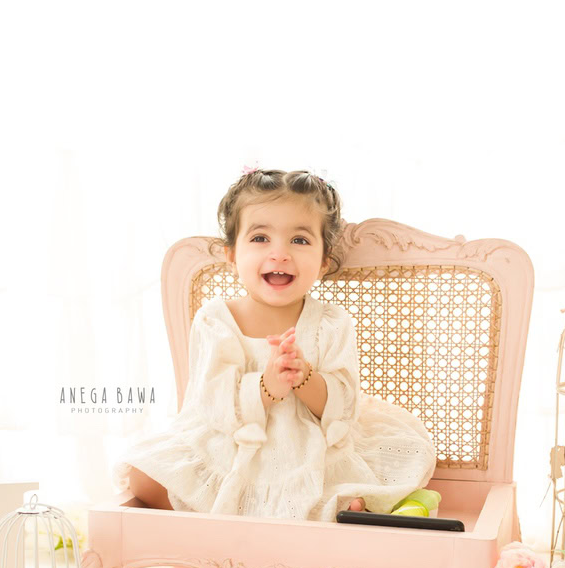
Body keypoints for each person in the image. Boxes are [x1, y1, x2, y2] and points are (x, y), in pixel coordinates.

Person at [113, 168, 437, 522]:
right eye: (260, 238)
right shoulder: (216, 319)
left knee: (338, 484)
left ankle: (330, 506)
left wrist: (305, 378)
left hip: (309, 444)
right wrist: (265, 387)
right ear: (231, 255)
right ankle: (250, 524)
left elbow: (343, 404)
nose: (280, 253)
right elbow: (211, 402)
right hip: (231, 443)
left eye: (299, 240)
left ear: (324, 259)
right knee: (142, 478)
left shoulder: (330, 322)